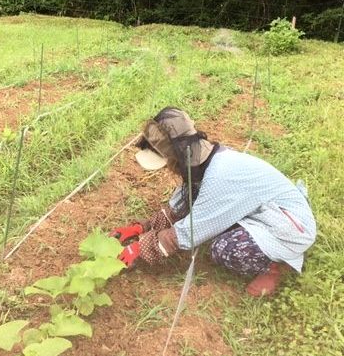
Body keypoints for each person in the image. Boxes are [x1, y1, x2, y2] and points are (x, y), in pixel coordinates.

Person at [110, 107, 316, 296]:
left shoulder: (219, 178)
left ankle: (275, 266)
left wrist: (139, 249)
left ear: (178, 157)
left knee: (225, 248)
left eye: (167, 163)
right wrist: (140, 228)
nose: (167, 169)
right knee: (211, 221)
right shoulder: (205, 159)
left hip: (289, 225)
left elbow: (190, 230)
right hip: (263, 209)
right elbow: (181, 205)